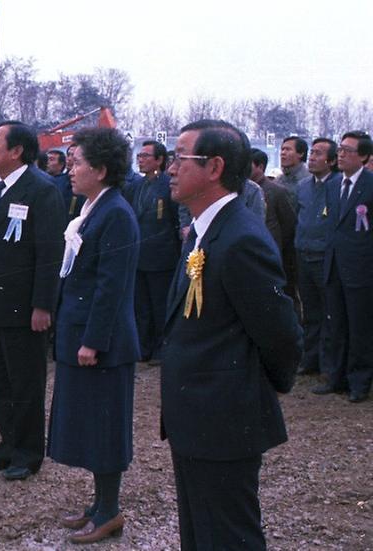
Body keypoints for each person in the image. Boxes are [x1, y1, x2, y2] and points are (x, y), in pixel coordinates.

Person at [162, 119, 302, 550]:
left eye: (179, 158)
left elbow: (281, 334)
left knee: (228, 536)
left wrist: (249, 390)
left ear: (214, 167)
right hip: (197, 416)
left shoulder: (240, 238)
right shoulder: (204, 229)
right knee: (201, 532)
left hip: (223, 417)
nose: (170, 168)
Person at [47, 128, 139, 544]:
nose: (70, 169)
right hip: (80, 332)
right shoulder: (92, 207)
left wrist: (93, 340)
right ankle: (99, 504)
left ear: (101, 169)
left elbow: (111, 286)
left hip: (101, 343)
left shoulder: (116, 213)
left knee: (105, 427)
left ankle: (109, 510)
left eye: (77, 162)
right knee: (89, 424)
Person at [0, 121, 65, 481]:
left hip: (23, 306)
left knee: (25, 382)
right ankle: (8, 444)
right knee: (0, 381)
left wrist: (43, 305)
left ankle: (28, 453)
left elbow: (48, 253)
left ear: (17, 151)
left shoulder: (40, 190)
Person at [320, 131, 373, 403]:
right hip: (334, 265)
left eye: (347, 151)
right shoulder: (331, 186)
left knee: (360, 326)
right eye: (339, 149)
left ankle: (359, 381)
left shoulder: (371, 185)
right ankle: (336, 376)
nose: (340, 154)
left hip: (361, 268)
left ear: (363, 156)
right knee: (336, 324)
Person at [124, 140, 179, 365]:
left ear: (159, 159)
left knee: (160, 305)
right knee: (141, 306)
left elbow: (175, 220)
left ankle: (160, 348)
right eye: (140, 155)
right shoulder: (135, 185)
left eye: (147, 156)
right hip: (139, 255)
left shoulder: (168, 184)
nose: (141, 159)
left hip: (162, 255)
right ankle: (143, 347)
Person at [296, 138, 340, 376]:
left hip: (326, 258)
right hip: (303, 254)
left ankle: (328, 364)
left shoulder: (336, 186)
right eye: (311, 153)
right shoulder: (303, 187)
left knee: (329, 312)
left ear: (331, 161)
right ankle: (310, 359)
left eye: (318, 154)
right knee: (310, 311)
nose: (312, 158)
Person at [250, 148, 297, 300]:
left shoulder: (276, 191)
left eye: (248, 165)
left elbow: (289, 224)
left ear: (260, 167)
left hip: (272, 253)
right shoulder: (242, 190)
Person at [277, 135, 311, 202]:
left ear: (301, 154)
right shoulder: (278, 180)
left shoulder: (309, 181)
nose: (283, 153)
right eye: (282, 149)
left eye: (288, 149)